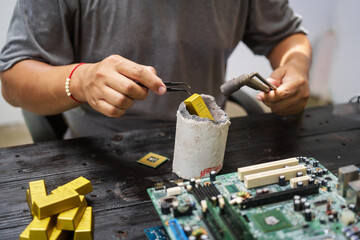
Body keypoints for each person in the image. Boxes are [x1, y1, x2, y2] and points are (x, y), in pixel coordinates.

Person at [0, 0, 311, 138]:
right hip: (104, 147)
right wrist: (80, 80)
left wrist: (295, 65)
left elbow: (286, 36)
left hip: (208, 140)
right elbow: (13, 78)